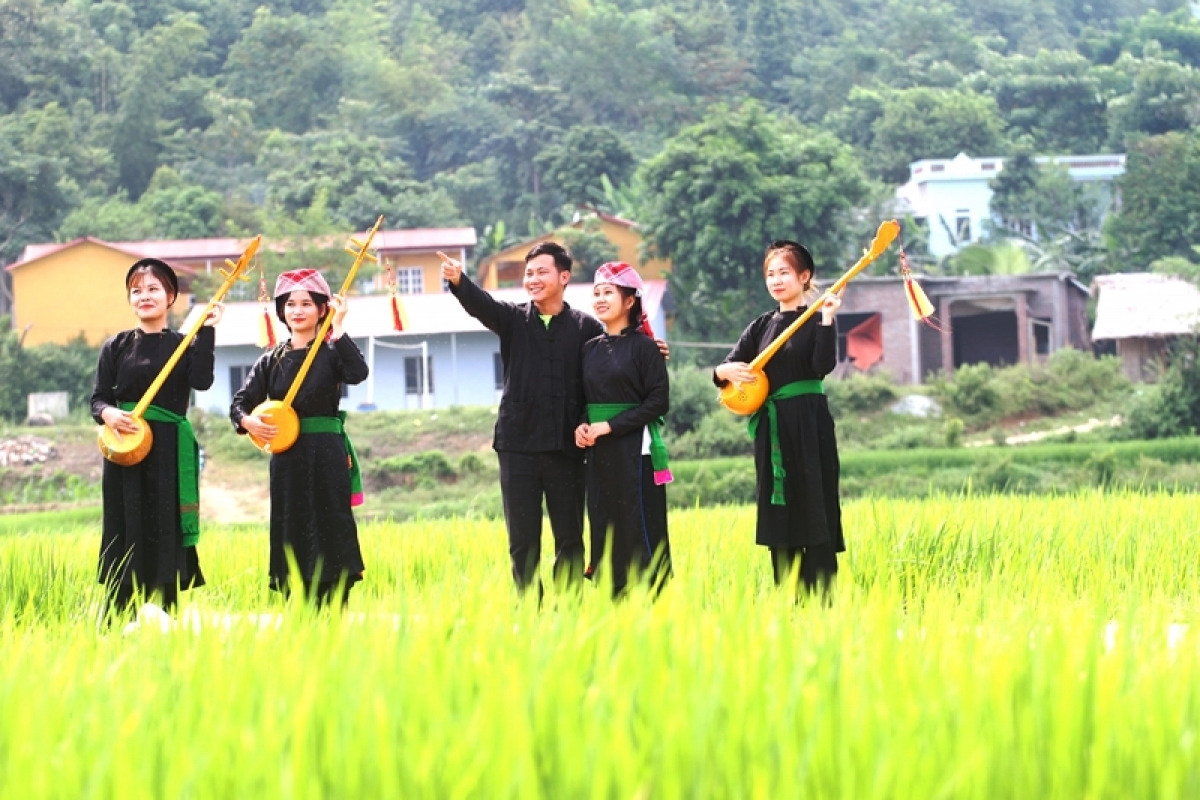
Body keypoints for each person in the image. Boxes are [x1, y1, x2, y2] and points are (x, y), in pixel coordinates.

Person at [438, 243, 600, 594]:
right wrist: (459, 281)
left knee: (570, 538)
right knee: (522, 542)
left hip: (566, 448)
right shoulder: (512, 319)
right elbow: (482, 305)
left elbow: (602, 378)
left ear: (564, 276)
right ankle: (529, 614)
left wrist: (650, 349)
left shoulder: (586, 327)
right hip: (518, 446)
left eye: (542, 271)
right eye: (529, 273)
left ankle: (568, 613)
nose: (533, 279)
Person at [91, 258, 222, 621]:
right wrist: (108, 414)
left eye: (153, 289)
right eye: (137, 291)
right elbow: (98, 398)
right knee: (125, 521)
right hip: (125, 450)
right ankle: (119, 616)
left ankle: (164, 615)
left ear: (170, 297)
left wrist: (207, 332)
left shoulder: (183, 346)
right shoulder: (115, 346)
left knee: (164, 524)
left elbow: (202, 381)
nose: (144, 296)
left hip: (166, 450)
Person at [230, 269, 368, 608]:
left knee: (331, 522)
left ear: (322, 309)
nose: (298, 310)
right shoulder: (270, 360)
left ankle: (336, 601)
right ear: (281, 311)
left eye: (307, 303)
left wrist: (341, 328)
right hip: (288, 459)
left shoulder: (333, 351)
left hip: (327, 455)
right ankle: (298, 602)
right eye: (290, 304)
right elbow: (239, 405)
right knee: (292, 524)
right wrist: (249, 422)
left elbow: (358, 373)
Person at [713, 240, 844, 598]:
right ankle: (788, 598)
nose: (776, 280)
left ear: (805, 277)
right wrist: (722, 369)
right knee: (778, 504)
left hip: (811, 423)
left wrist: (828, 319)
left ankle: (823, 599)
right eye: (770, 274)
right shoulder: (760, 327)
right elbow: (727, 369)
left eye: (784, 272)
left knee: (816, 501)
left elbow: (821, 366)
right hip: (772, 429)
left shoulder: (818, 317)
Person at [575, 262, 672, 598]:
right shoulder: (588, 349)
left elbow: (658, 402)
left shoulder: (646, 348)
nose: (600, 299)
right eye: (596, 293)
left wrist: (610, 426)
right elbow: (581, 400)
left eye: (608, 293)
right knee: (604, 522)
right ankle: (614, 598)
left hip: (638, 452)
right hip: (599, 452)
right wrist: (582, 426)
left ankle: (650, 597)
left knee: (639, 522)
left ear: (630, 301)